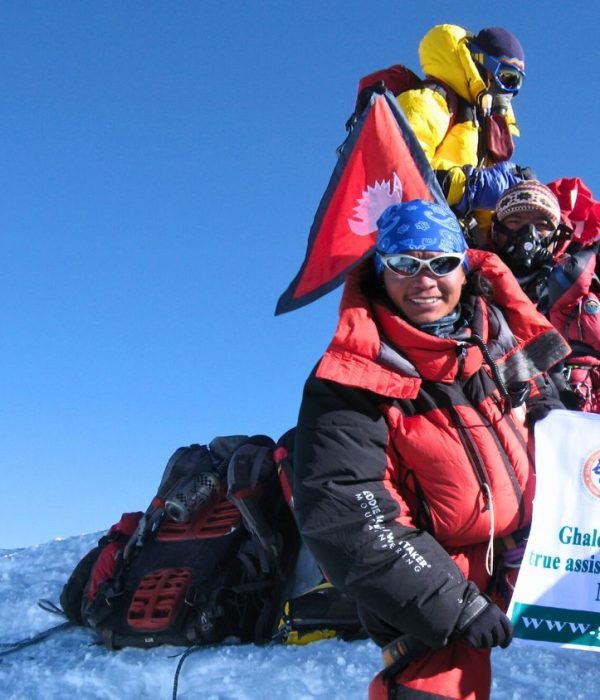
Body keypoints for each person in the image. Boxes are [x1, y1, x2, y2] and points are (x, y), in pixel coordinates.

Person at [293, 200, 570, 699]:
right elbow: (348, 514)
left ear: (464, 269)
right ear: (380, 271)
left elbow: (542, 408)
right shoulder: (350, 378)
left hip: (522, 555)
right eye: (404, 263)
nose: (425, 279)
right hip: (433, 574)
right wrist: (453, 603)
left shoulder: (494, 340)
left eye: (441, 262)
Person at [354, 24, 533, 242]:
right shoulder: (429, 101)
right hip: (413, 239)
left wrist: (519, 209)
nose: (508, 92)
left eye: (516, 83)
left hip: (452, 240)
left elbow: (482, 216)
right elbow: (397, 176)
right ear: (480, 63)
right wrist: (472, 188)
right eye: (507, 78)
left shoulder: (479, 125)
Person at [491, 179, 600, 412]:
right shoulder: (471, 288)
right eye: (515, 221)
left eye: (541, 225)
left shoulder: (582, 293)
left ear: (558, 234)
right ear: (496, 231)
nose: (528, 234)